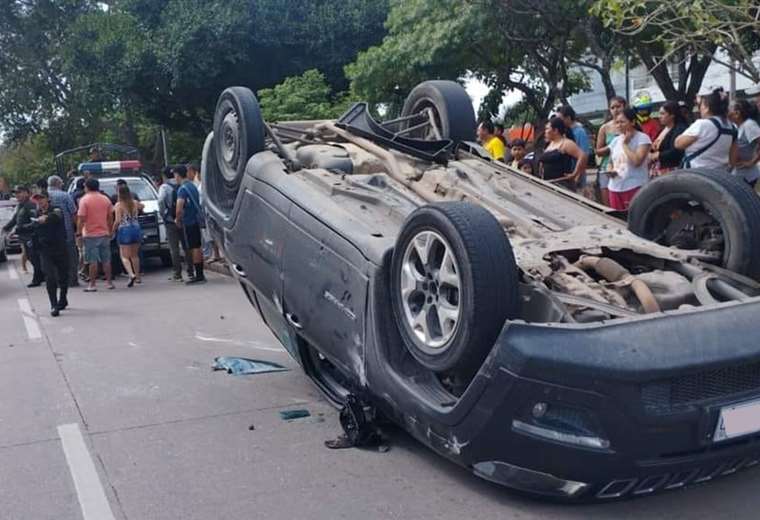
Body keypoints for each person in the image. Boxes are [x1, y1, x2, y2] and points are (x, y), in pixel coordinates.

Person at [675, 88, 738, 172]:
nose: (699, 108)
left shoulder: (702, 124)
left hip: (698, 175)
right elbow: (733, 158)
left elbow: (678, 144)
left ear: (706, 107)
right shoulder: (732, 127)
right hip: (720, 175)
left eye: (700, 105)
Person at [29, 192, 69, 316]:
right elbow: (33, 227)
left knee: (63, 276)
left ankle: (63, 298)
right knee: (50, 277)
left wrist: (46, 218)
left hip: (59, 247)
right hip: (45, 250)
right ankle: (53, 305)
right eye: (37, 199)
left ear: (47, 199)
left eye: (41, 198)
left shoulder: (56, 209)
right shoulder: (36, 213)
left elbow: (56, 216)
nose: (39, 201)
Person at [607, 108, 652, 211]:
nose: (619, 125)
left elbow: (637, 161)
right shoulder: (615, 140)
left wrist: (625, 145)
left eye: (622, 122)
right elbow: (610, 161)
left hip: (634, 186)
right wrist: (610, 170)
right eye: (617, 122)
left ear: (632, 122)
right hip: (615, 187)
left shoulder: (642, 138)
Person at [77, 178, 114, 292]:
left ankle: (92, 284)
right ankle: (109, 282)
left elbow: (81, 218)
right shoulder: (105, 199)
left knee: (92, 261)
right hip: (104, 232)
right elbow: (110, 217)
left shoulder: (84, 200)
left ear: (87, 187)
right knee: (106, 260)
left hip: (90, 234)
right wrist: (110, 230)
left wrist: (79, 233)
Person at [2, 185, 44, 287]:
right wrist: (5, 228)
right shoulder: (21, 205)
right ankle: (41, 276)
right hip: (23, 237)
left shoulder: (30, 205)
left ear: (26, 192)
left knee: (34, 257)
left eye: (19, 192)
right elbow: (15, 219)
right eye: (15, 193)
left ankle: (38, 278)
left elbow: (35, 222)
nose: (17, 195)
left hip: (31, 236)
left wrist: (20, 228)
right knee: (30, 257)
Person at [159, 166, 193, 281]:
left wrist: (164, 214)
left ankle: (177, 273)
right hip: (183, 219)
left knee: (174, 248)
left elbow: (160, 201)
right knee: (186, 246)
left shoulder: (164, 187)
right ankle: (190, 271)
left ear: (164, 176)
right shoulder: (181, 185)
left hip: (170, 220)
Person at [175, 166, 206, 284]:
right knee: (197, 246)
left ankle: (198, 275)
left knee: (194, 248)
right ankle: (200, 273)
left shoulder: (182, 189)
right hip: (196, 220)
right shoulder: (192, 186)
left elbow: (179, 207)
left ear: (178, 175)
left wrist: (177, 219)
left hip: (189, 221)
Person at [47, 175, 79, 287]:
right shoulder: (65, 195)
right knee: (71, 256)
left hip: (50, 233)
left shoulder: (44, 196)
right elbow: (73, 213)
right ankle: (72, 280)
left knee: (53, 257)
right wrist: (78, 228)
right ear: (58, 184)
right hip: (67, 231)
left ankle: (57, 281)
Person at [538, 117, 588, 190]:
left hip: (561, 184)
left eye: (547, 128)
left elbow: (583, 156)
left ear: (555, 130)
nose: (545, 131)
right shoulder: (550, 144)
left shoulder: (566, 143)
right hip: (548, 183)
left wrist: (575, 174)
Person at [595, 96, 627, 206]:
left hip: (624, 166)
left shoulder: (631, 125)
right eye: (612, 108)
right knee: (608, 203)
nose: (616, 110)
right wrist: (613, 146)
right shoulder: (605, 127)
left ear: (624, 106)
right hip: (607, 167)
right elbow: (598, 151)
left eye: (618, 106)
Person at [112, 184, 143, 287]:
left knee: (124, 256)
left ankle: (131, 274)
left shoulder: (118, 205)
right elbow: (142, 206)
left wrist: (112, 230)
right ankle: (138, 276)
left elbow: (117, 221)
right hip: (136, 228)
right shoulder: (134, 203)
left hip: (124, 229)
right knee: (135, 255)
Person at [649, 101, 688, 176]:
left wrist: (657, 155)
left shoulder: (680, 129)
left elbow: (676, 151)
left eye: (662, 113)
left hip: (672, 170)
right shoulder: (663, 129)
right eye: (659, 113)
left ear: (672, 115)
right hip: (659, 169)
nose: (659, 116)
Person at [728, 98, 760, 188]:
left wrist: (751, 162)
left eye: (730, 110)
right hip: (738, 174)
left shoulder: (749, 125)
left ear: (737, 113)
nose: (727, 112)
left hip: (747, 176)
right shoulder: (736, 126)